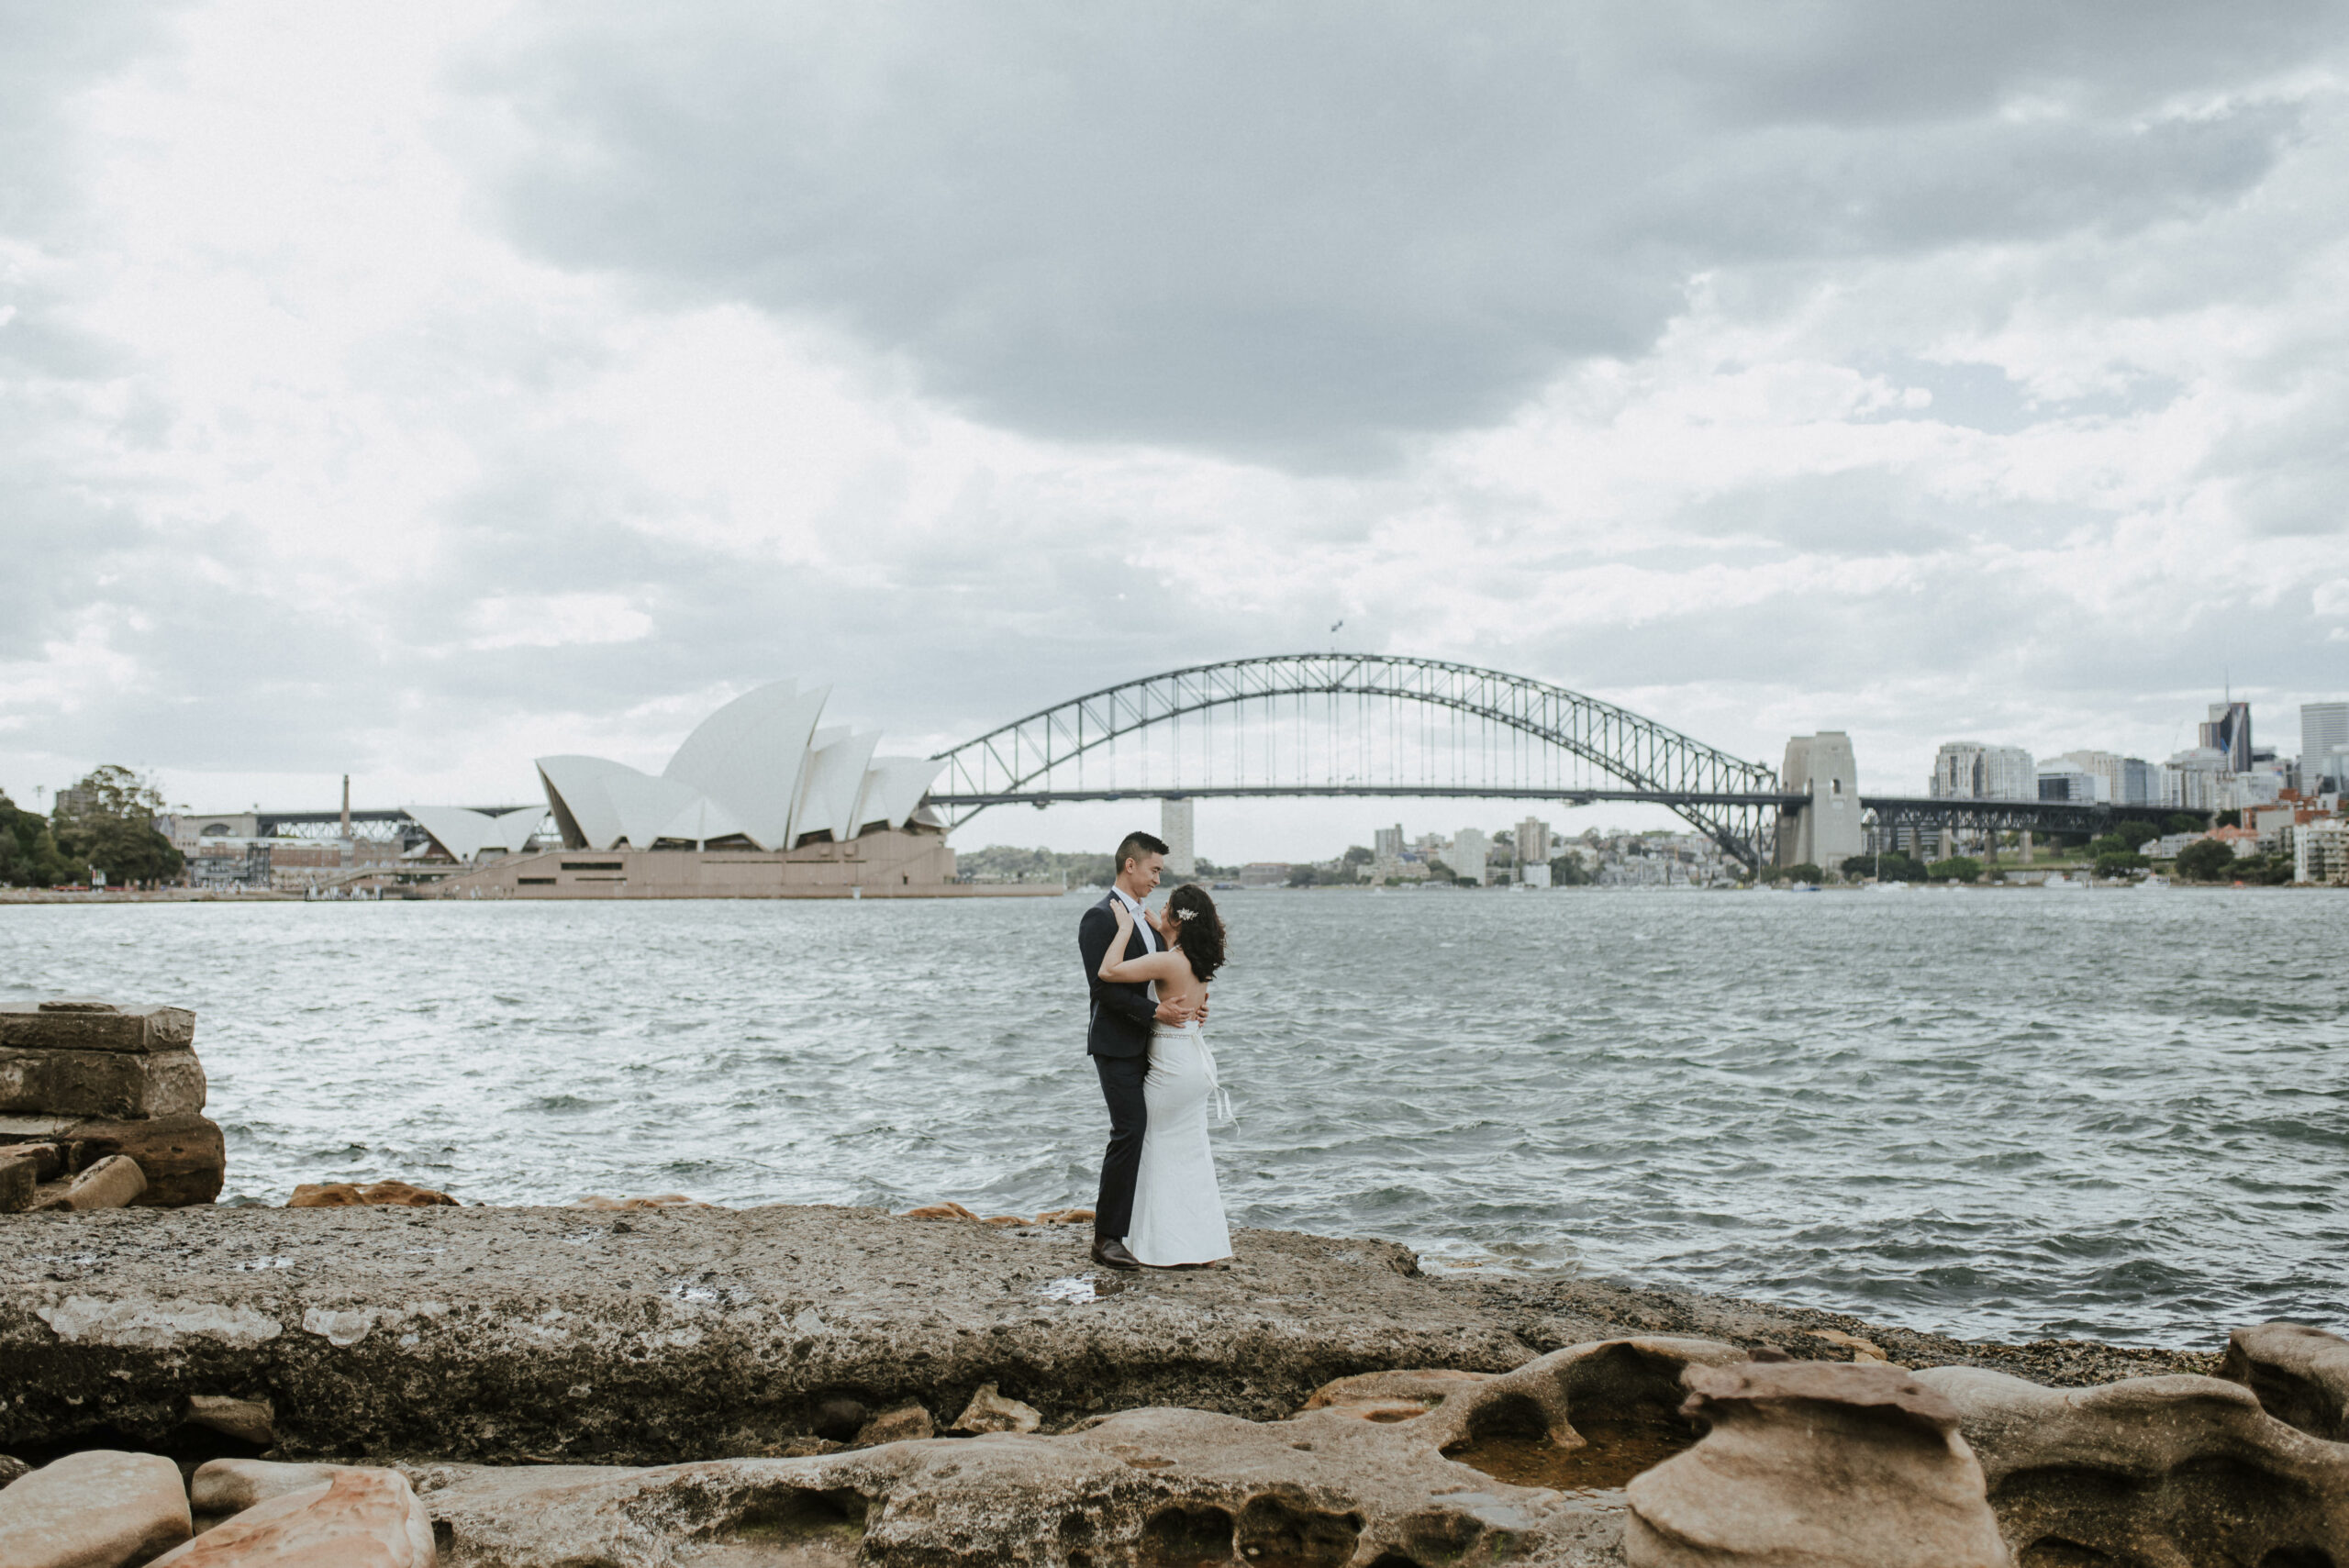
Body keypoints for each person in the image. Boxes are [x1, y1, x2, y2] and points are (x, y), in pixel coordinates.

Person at [1076, 831, 1202, 1270]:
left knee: (1151, 1133)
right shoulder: (1099, 918)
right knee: (1128, 1131)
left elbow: (1166, 976)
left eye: (1160, 873)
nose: (1157, 879)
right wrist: (1155, 1013)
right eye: (1154, 870)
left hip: (1151, 1044)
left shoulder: (1148, 922)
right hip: (1115, 1044)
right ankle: (1106, 1238)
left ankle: (1153, 1232)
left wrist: (1188, 1008)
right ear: (1130, 866)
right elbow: (1102, 990)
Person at [1097, 880, 1232, 1268]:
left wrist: (1125, 928)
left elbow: (1108, 971)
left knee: (1154, 1146)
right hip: (1196, 1063)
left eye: (1167, 907)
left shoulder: (1170, 960)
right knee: (1190, 1152)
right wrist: (1164, 928)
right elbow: (1193, 994)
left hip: (1172, 1068)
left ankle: (1159, 1249)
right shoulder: (1199, 958)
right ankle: (1201, 1246)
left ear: (1176, 918)